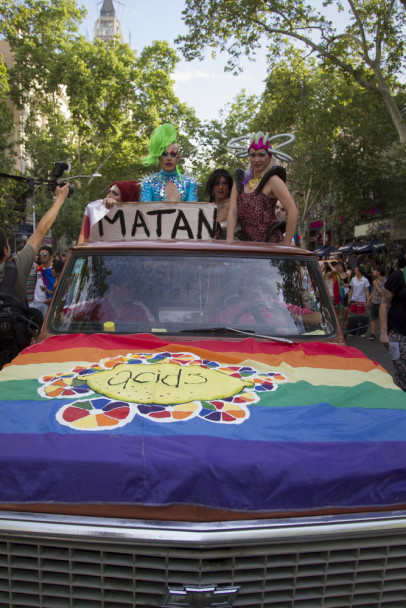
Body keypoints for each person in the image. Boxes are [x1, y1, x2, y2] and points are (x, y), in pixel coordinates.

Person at [0, 183, 70, 366]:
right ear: (6, 250)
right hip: (10, 356)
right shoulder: (16, 268)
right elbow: (40, 231)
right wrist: (60, 198)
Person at [226, 131, 297, 244]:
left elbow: (293, 210)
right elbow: (233, 211)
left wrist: (286, 243)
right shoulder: (240, 180)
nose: (256, 159)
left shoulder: (273, 181)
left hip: (271, 247)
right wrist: (229, 241)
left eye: (261, 154)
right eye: (253, 155)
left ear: (269, 156)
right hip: (249, 247)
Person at [64, 274, 155, 325]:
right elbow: (62, 313)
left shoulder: (139, 309)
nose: (133, 290)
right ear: (114, 288)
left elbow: (153, 330)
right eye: (128, 287)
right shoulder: (94, 306)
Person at [140, 123, 197, 202]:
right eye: (164, 154)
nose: (169, 158)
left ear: (178, 158)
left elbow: (193, 211)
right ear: (159, 157)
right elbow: (143, 211)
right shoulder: (149, 183)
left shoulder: (189, 184)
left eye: (173, 154)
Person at [78, 180, 140, 245]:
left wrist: (116, 208)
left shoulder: (137, 218)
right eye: (108, 192)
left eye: (115, 194)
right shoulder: (96, 209)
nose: (109, 196)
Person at [380, 246, 406, 391]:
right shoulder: (398, 276)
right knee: (403, 377)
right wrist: (384, 333)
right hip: (400, 336)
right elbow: (384, 304)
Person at [204, 169, 233, 239]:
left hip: (232, 247)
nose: (221, 187)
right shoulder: (207, 207)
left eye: (224, 183)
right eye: (217, 183)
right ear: (212, 187)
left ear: (229, 186)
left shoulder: (234, 205)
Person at [30, 245, 54, 317]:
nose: (42, 256)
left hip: (48, 302)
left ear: (50, 256)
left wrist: (52, 298)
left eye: (44, 254)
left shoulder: (54, 270)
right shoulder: (39, 269)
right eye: (40, 254)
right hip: (36, 302)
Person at [367, 265, 385, 341]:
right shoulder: (376, 280)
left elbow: (382, 293)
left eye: (375, 270)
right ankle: (373, 333)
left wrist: (376, 285)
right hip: (374, 301)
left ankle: (383, 334)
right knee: (373, 318)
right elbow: (373, 291)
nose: (373, 272)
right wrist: (368, 300)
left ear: (379, 272)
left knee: (382, 319)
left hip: (381, 302)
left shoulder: (384, 281)